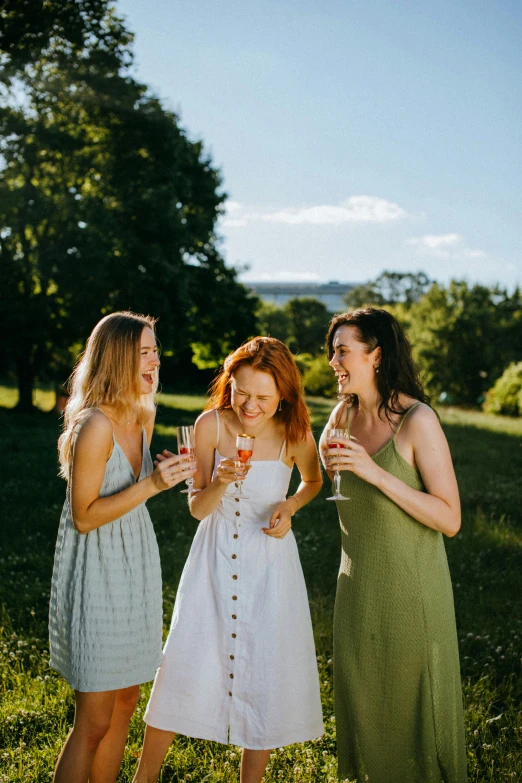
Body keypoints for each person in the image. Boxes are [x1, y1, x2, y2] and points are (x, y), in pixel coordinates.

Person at [133, 336, 324, 783]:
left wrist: (290, 507)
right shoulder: (211, 426)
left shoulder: (294, 434)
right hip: (212, 565)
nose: (249, 405)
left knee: (263, 668)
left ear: (284, 395)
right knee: (184, 660)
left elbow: (313, 480)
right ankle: (144, 778)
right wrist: (217, 481)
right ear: (229, 383)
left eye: (262, 396)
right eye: (241, 392)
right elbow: (198, 508)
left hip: (269, 569)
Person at [320, 307, 467, 783]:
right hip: (356, 596)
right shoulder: (340, 416)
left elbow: (450, 519)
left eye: (343, 350)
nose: (333, 361)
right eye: (332, 351)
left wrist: (374, 472)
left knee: (415, 720)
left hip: (411, 596)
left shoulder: (417, 419)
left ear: (376, 355)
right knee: (364, 715)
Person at [49, 311, 197, 783]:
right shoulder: (94, 426)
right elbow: (84, 515)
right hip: (98, 573)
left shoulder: (143, 415)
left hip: (135, 566)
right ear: (117, 359)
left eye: (155, 350)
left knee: (126, 701)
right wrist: (153, 484)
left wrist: (160, 473)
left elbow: (130, 488)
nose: (155, 361)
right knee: (92, 722)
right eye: (143, 353)